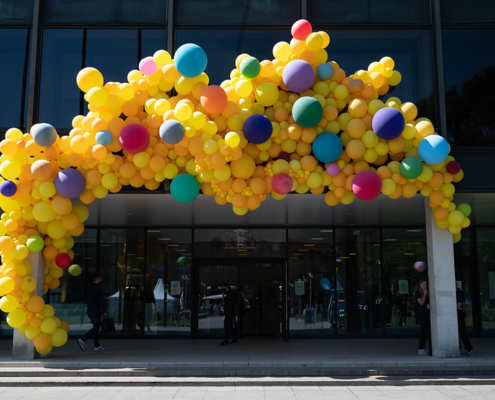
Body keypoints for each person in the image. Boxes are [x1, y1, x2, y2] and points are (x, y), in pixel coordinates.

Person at [77, 274, 108, 351]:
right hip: (96, 310)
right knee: (97, 327)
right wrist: (104, 310)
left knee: (95, 328)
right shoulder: (98, 287)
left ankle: (97, 345)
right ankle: (83, 339)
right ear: (97, 279)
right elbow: (101, 299)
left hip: (90, 310)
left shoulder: (89, 288)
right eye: (100, 278)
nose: (101, 280)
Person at [414, 280, 430, 355]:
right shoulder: (418, 293)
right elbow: (421, 303)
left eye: (426, 284)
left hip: (426, 313)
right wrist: (424, 295)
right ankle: (421, 348)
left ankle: (424, 347)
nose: (425, 286)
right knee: (423, 331)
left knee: (426, 331)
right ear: (420, 285)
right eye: (423, 284)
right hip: (421, 314)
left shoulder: (425, 293)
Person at [457, 287, 474, 355]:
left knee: (462, 332)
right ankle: (461, 348)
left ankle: (468, 348)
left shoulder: (458, 296)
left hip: (459, 316)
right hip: (458, 316)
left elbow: (458, 307)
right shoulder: (458, 296)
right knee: (460, 333)